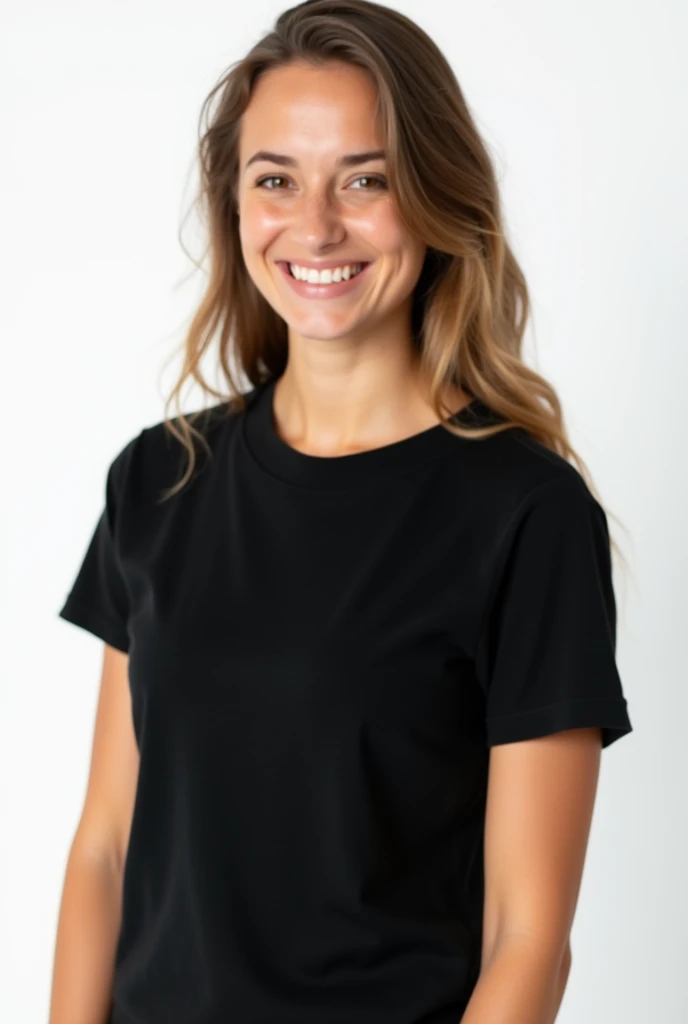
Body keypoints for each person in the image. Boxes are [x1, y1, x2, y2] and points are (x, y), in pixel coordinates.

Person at [49, 2, 634, 1022]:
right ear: (235, 203)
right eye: (275, 179)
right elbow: (104, 845)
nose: (315, 226)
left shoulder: (525, 513)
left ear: (437, 197)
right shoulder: (158, 481)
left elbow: (527, 940)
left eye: (365, 180)